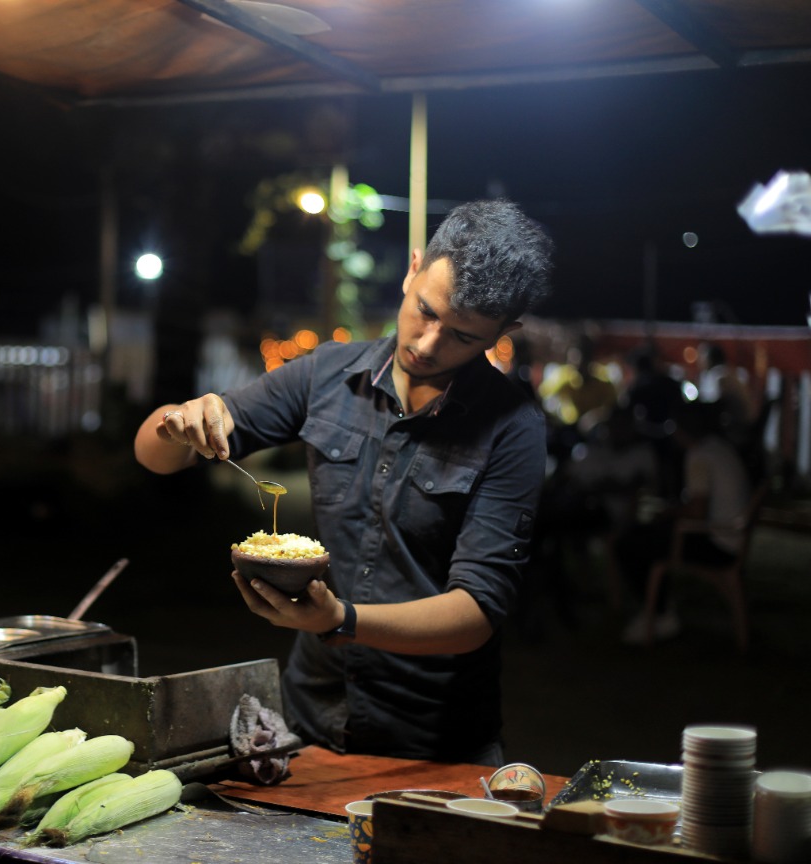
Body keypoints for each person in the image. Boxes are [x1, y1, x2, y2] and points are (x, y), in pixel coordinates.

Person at [134, 199, 554, 765]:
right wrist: (178, 422)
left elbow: (476, 611)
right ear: (412, 268)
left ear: (504, 332)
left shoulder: (513, 427)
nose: (428, 344)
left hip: (435, 737)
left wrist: (342, 620)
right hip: (309, 720)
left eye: (461, 336)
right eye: (425, 310)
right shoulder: (327, 374)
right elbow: (156, 457)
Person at [612, 400, 753, 645]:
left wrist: (668, 512)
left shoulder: (698, 455)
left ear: (680, 429)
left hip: (717, 542)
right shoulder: (718, 447)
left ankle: (659, 613)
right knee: (646, 536)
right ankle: (659, 608)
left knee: (629, 543)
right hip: (732, 537)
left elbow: (697, 512)